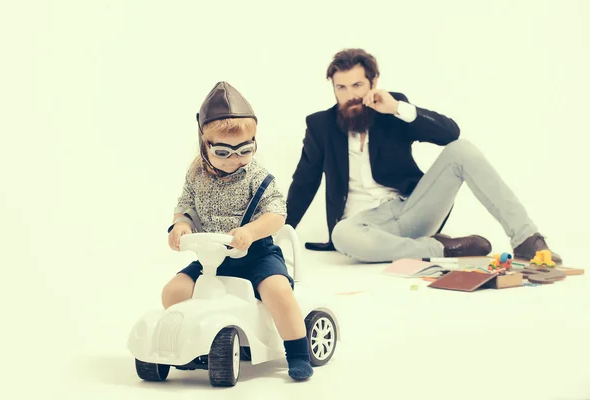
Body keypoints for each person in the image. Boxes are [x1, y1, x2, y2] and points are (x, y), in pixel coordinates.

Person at [286, 48, 562, 264]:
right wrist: (280, 235)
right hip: (362, 226)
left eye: (357, 85)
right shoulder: (320, 126)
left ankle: (526, 238)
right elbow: (304, 182)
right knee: (342, 235)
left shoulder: (392, 108)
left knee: (462, 149)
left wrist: (397, 108)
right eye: (341, 88)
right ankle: (442, 248)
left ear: (373, 82)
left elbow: (450, 134)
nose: (350, 96)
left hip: (411, 209)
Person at [162, 81, 313, 381]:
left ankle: (297, 351)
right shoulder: (195, 175)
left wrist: (252, 231)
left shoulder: (257, 176)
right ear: (204, 144)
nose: (235, 158)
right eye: (223, 151)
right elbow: (185, 206)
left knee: (278, 291)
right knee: (173, 293)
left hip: (256, 254)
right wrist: (181, 225)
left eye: (245, 149)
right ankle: (199, 340)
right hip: (212, 261)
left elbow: (277, 214)